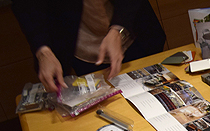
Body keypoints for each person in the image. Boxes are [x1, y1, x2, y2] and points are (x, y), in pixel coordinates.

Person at [12, 0, 166, 92]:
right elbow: (25, 6)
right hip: (82, 44)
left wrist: (118, 30)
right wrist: (42, 50)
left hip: (134, 32)